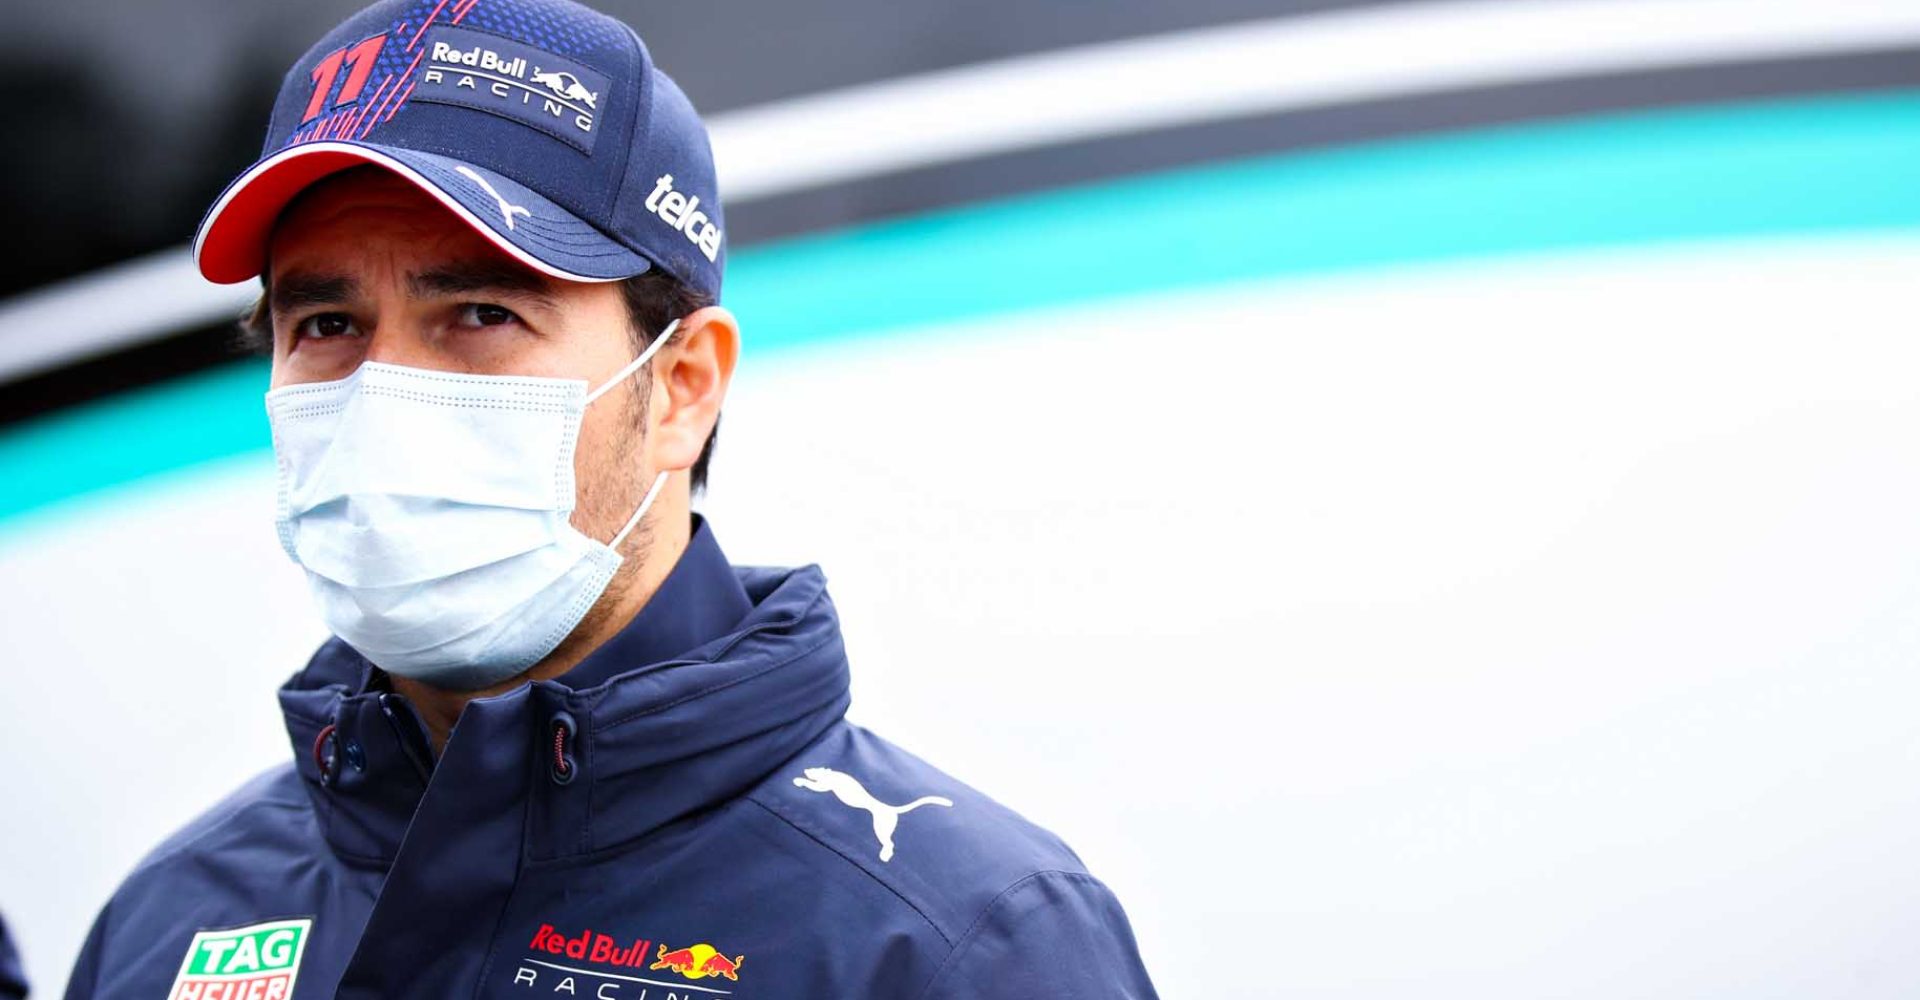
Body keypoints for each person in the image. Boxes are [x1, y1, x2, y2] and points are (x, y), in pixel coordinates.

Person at [62, 0, 1159, 997]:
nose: (381, 394)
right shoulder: (177, 920)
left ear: (682, 388)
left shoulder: (956, 943)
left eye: (482, 313)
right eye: (326, 326)